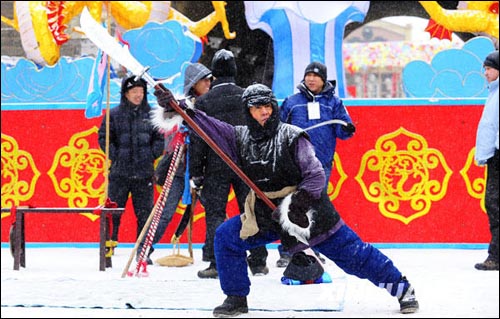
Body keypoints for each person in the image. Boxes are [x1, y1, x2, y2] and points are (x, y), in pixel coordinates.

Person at [154, 83, 419, 317]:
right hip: (266, 213)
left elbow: (315, 175)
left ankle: (402, 289)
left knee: (354, 256)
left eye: (267, 106)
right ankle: (235, 298)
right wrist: (180, 109)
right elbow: (208, 126)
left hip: (307, 212)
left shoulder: (292, 135)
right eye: (257, 108)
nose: (264, 112)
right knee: (226, 237)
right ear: (248, 111)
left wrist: (299, 205)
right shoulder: (239, 137)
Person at [189, 49, 269, 278]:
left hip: (216, 163)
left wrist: (196, 171)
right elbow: (259, 132)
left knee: (215, 213)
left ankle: (216, 262)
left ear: (214, 74)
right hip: (245, 164)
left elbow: (198, 138)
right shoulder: (246, 97)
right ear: (234, 71)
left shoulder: (204, 102)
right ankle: (258, 260)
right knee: (251, 210)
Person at [278, 61, 356, 267]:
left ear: (324, 79)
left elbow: (343, 130)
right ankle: (287, 250)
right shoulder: (292, 102)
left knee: (313, 206)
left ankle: (313, 249)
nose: (311, 79)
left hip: (321, 166)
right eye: (308, 75)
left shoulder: (334, 103)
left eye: (316, 76)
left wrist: (347, 128)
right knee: (290, 204)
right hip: (294, 164)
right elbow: (278, 128)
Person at [137, 62, 213, 265]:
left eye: (209, 79)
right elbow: (167, 116)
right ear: (193, 83)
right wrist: (167, 103)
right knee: (165, 211)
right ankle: (144, 249)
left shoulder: (213, 103)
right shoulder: (180, 104)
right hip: (180, 167)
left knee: (214, 210)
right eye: (203, 80)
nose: (208, 83)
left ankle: (212, 251)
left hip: (205, 167)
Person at [98, 75, 164, 254]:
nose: (138, 95)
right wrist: (116, 155)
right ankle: (109, 246)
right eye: (134, 91)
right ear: (125, 94)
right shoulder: (114, 114)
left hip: (144, 174)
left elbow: (159, 139)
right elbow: (104, 138)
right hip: (120, 173)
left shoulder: (152, 115)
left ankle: (143, 250)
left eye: (141, 92)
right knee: (114, 212)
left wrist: (150, 154)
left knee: (144, 214)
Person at [474, 50, 499, 271]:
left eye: (489, 68)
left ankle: (496, 255)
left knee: (494, 203)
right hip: (494, 154)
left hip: (498, 154)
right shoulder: (494, 92)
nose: (485, 73)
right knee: (493, 203)